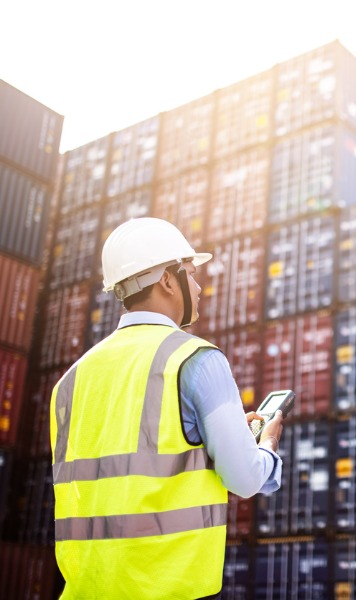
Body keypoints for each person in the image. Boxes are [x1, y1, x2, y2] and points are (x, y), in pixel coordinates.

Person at [50, 217, 284, 599]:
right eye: (191, 273)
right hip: (166, 589)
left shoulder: (70, 382)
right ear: (166, 280)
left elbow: (126, 465)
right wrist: (266, 448)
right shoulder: (195, 359)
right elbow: (245, 478)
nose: (199, 286)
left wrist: (204, 444)